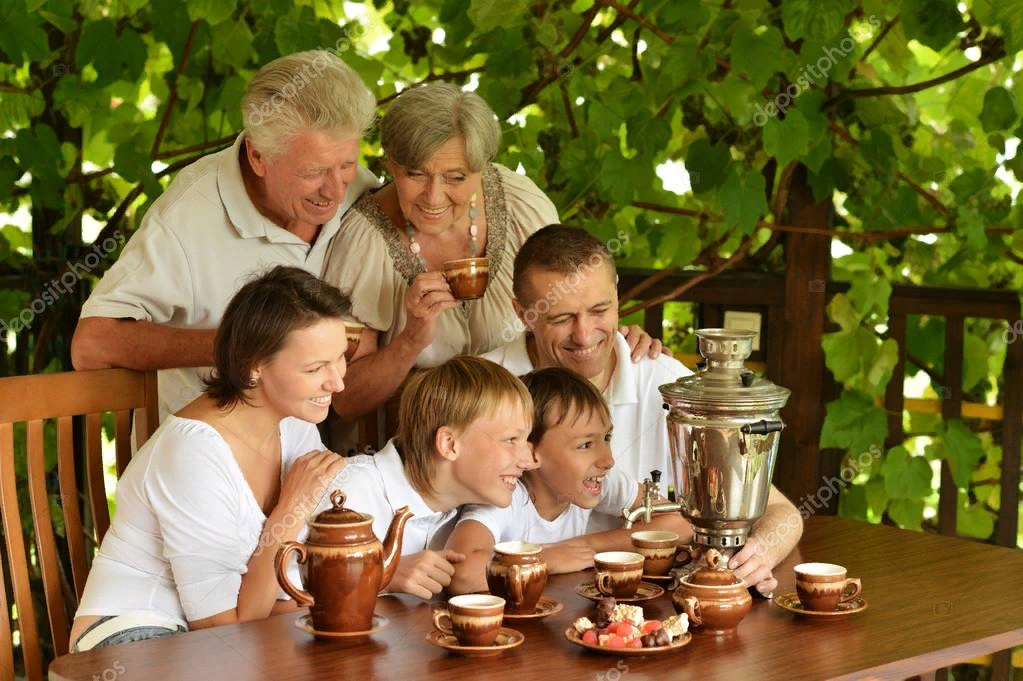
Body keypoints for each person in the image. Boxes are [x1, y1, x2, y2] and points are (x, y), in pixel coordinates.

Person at [321, 82, 665, 427]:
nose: (434, 197)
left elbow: (573, 305)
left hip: (532, 429)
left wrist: (617, 344)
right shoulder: (363, 243)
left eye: (456, 177)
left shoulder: (518, 204)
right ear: (392, 165)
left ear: (483, 166)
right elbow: (346, 400)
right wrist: (411, 340)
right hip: (422, 438)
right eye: (416, 174)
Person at [484, 225, 801, 591]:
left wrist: (757, 555)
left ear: (617, 295)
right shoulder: (486, 388)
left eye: (599, 310)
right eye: (561, 318)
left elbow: (780, 511)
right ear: (523, 313)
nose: (584, 336)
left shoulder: (670, 384)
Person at [71, 49, 378, 422]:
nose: (334, 190)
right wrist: (246, 344)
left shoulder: (360, 189)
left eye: (346, 164)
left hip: (308, 450)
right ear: (258, 156)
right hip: (202, 455)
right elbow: (93, 344)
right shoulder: (187, 215)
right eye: (313, 172)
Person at [68, 266, 351, 651]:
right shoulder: (192, 452)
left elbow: (283, 595)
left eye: (340, 359)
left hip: (223, 642)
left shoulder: (296, 425)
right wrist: (293, 506)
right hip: (132, 637)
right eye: (315, 368)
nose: (337, 382)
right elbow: (224, 628)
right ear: (253, 365)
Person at [446, 367, 691, 595]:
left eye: (606, 437)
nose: (608, 460)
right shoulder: (504, 495)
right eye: (585, 445)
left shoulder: (596, 480)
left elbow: (681, 523)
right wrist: (547, 559)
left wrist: (587, 545)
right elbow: (462, 574)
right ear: (530, 453)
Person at [313, 354, 536, 600]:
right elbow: (283, 603)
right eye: (511, 440)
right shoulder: (351, 490)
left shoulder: (476, 500)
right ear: (449, 445)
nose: (528, 461)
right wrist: (381, 575)